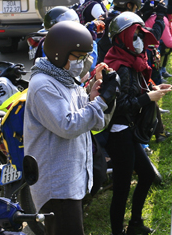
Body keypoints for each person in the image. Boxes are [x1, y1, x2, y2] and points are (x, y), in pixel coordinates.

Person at [23, 21, 120, 235]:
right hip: (57, 186)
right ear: (60, 53)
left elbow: (85, 118)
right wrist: (101, 102)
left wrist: (93, 96)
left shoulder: (66, 79)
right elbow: (68, 125)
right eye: (78, 56)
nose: (83, 62)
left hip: (70, 179)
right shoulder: (43, 85)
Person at [104, 12, 172, 235]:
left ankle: (135, 224)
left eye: (140, 35)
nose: (139, 41)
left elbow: (135, 90)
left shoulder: (131, 61)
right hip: (119, 133)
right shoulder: (120, 67)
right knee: (122, 189)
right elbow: (120, 106)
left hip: (129, 131)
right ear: (121, 39)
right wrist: (148, 99)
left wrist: (152, 90)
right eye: (134, 36)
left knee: (147, 175)